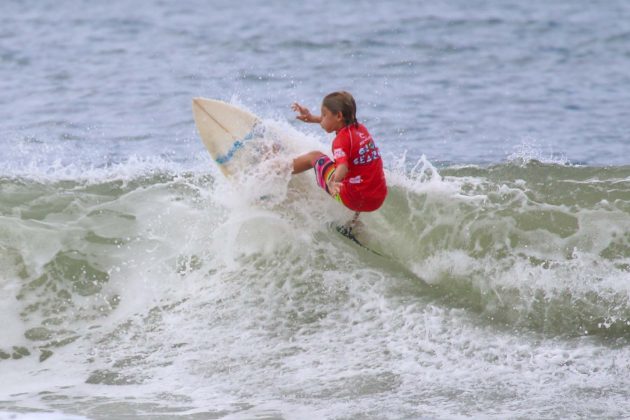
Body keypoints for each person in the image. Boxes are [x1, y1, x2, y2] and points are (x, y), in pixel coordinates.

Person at [291, 91, 387, 216]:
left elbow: (343, 167)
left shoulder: (341, 140)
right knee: (359, 173)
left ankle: (278, 169)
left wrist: (332, 182)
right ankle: (353, 225)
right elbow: (331, 121)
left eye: (324, 115)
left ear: (339, 116)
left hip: (353, 200)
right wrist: (312, 118)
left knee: (314, 156)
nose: (322, 118)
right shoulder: (361, 130)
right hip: (377, 199)